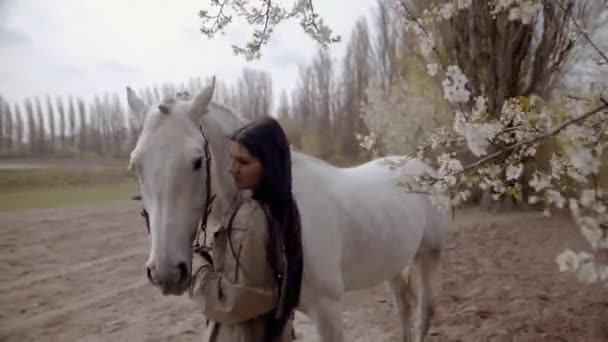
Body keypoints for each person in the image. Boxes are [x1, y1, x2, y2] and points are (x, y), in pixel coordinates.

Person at [189, 116, 304, 342]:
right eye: (232, 159)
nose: (232, 169)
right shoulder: (283, 207)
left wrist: (198, 267)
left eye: (243, 162)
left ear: (269, 165)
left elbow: (236, 301)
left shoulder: (251, 218)